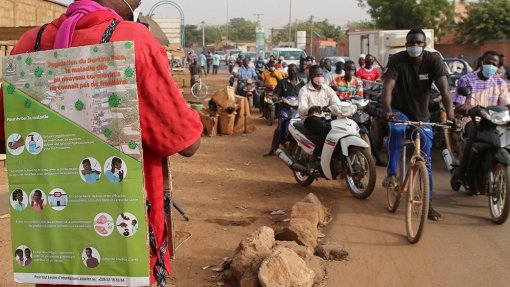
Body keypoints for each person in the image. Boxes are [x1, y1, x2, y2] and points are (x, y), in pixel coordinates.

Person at [0, 0, 202, 285]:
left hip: (52, 249)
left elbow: (9, 132)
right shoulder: (135, 41)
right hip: (124, 248)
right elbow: (186, 142)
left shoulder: (29, 44)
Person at [381, 28, 454, 221]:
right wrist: (388, 111)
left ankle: (428, 204)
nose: (415, 46)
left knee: (426, 159)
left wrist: (451, 115)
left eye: (419, 43)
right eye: (411, 43)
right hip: (399, 110)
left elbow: (445, 90)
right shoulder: (397, 60)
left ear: (424, 44)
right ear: (406, 45)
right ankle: (391, 173)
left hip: (422, 113)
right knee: (397, 129)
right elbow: (388, 87)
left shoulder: (434, 60)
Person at [451, 51, 509, 190]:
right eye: (488, 62)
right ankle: (460, 172)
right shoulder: (466, 80)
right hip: (472, 119)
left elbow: (505, 104)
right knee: (474, 136)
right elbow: (458, 104)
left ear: (498, 66)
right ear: (481, 62)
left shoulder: (501, 83)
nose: (490, 65)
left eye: (494, 64)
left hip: (494, 121)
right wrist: (465, 108)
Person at [298, 65, 342, 169]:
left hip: (327, 117)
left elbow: (337, 103)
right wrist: (310, 109)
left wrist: (341, 107)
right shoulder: (304, 90)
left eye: (321, 74)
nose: (319, 77)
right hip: (311, 118)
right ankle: (314, 158)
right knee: (326, 129)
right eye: (317, 75)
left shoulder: (327, 89)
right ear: (311, 76)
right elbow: (301, 109)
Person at [264, 64, 305, 156]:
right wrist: (275, 97)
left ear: (297, 71)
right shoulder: (282, 82)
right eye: (289, 71)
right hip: (285, 108)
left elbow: (306, 94)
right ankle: (273, 148)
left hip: (298, 109)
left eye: (293, 70)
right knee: (279, 128)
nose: (291, 72)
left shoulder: (302, 83)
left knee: (302, 127)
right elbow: (276, 93)